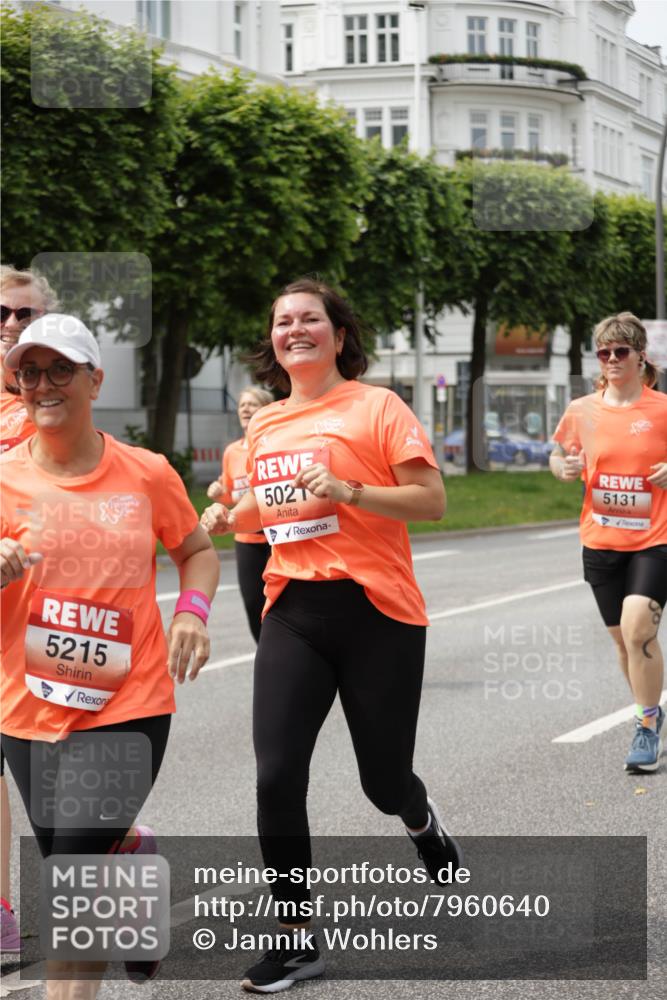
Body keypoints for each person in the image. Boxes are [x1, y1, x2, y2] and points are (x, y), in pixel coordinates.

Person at [201, 277, 462, 994]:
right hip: (293, 609)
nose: (294, 329)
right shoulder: (266, 425)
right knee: (275, 775)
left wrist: (350, 492)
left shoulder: (377, 407)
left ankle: (419, 818)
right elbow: (269, 509)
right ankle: (295, 938)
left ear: (337, 335)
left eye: (309, 318)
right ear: (273, 341)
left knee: (381, 782)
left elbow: (431, 500)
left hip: (378, 613)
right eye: (282, 321)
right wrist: (231, 517)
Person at [0, 314, 220, 997]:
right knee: (80, 866)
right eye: (30, 372)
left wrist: (192, 613)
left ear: (96, 379)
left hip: (128, 705)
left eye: (60, 369)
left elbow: (196, 550)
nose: (43, 385)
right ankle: (132, 869)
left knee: (72, 890)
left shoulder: (147, 473)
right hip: (27, 711)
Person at [551, 312, 667, 773]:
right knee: (624, 643)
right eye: (605, 352)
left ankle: (645, 722)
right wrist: (562, 467)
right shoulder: (583, 411)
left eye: (622, 351)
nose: (613, 359)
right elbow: (559, 455)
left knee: (639, 627)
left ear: (641, 355)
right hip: (601, 540)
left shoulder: (661, 409)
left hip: (655, 538)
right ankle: (650, 711)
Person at [0, 264, 58, 953]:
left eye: (25, 314)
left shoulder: (49, 403)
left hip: (44, 614)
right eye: (1, 314)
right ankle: (4, 911)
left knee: (49, 784)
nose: (11, 325)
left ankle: (119, 845)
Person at [207, 387, 273, 642]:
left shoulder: (275, 444)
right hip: (246, 540)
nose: (245, 409)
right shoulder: (231, 451)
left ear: (266, 410)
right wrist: (219, 494)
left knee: (281, 604)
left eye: (252, 404)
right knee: (253, 604)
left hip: (275, 537)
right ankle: (265, 652)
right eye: (242, 404)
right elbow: (233, 496)